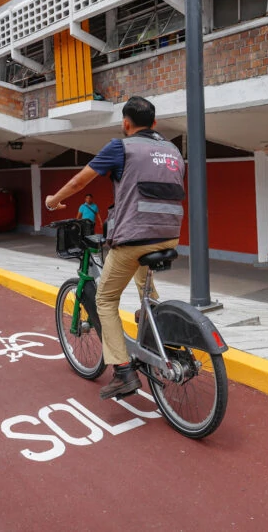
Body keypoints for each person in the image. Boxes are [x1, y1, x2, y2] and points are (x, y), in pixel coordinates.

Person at [45, 96, 185, 400]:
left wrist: (53, 200)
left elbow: (80, 182)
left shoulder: (121, 146)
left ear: (126, 123)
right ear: (155, 124)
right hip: (169, 235)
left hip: (134, 238)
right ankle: (153, 322)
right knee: (141, 277)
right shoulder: (172, 149)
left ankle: (123, 372)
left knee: (106, 300)